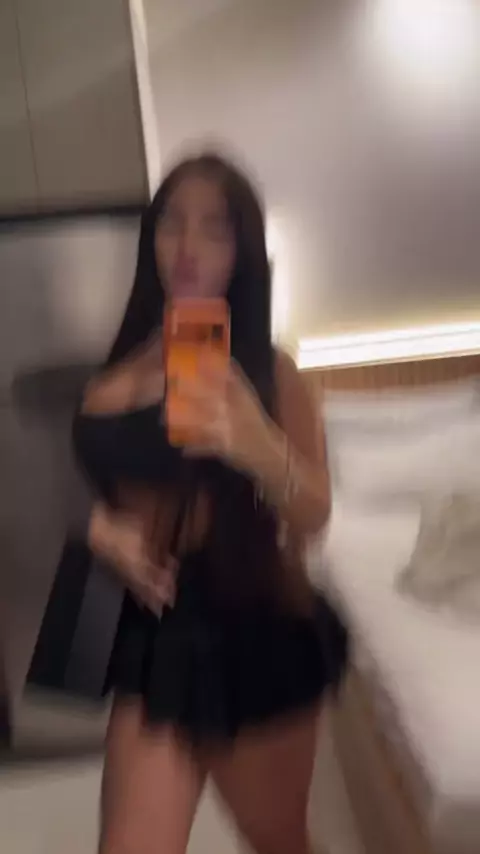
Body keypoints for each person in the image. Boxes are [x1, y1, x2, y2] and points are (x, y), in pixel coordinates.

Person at [73, 151, 348, 854]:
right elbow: (92, 488)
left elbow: (314, 517)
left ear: (242, 253)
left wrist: (260, 447)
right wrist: (99, 528)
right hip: (155, 636)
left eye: (216, 228)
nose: (189, 245)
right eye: (173, 223)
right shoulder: (118, 368)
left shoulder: (272, 373)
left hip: (256, 633)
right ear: (152, 238)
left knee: (279, 841)